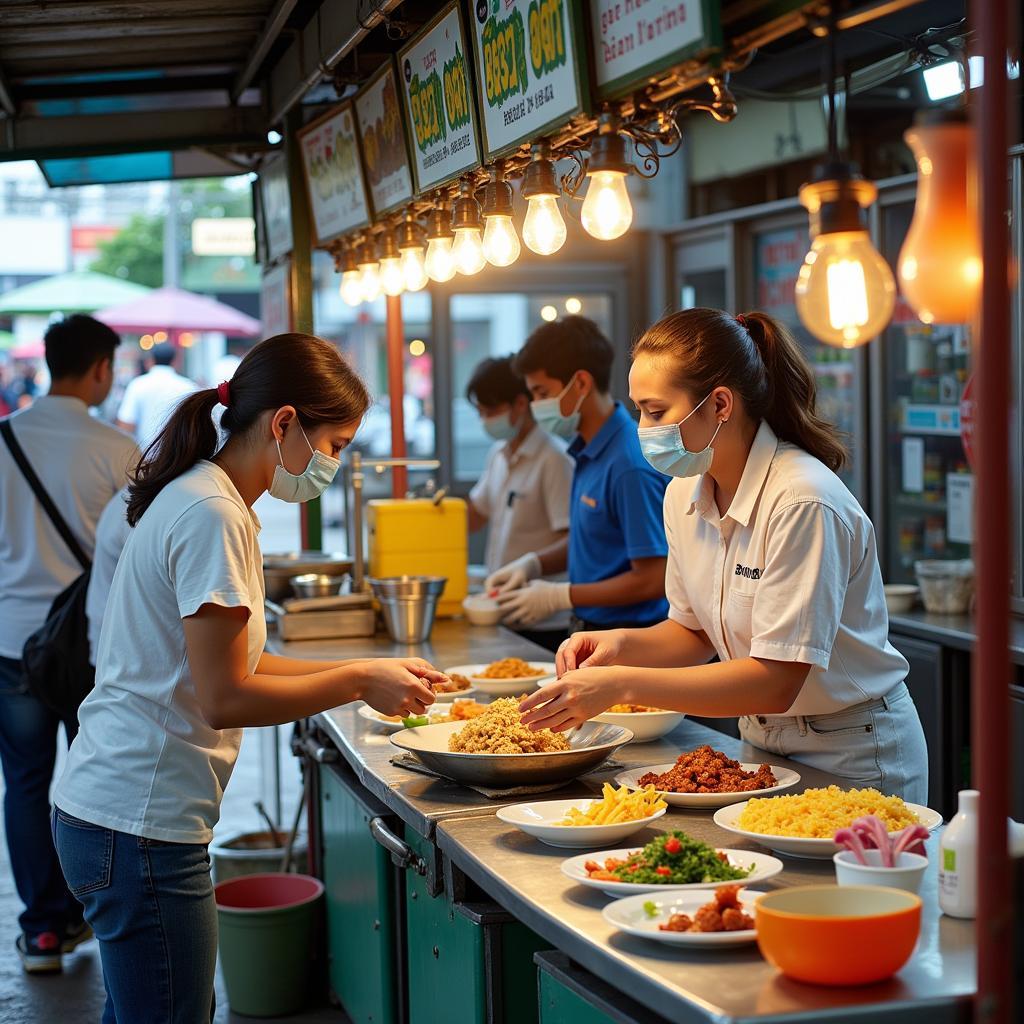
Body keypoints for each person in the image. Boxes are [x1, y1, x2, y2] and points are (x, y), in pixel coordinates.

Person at [52, 333, 446, 1023]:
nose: (333, 464)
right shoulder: (212, 514)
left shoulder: (209, 495)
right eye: (337, 446)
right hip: (139, 826)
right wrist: (356, 682)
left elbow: (242, 661)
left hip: (116, 813)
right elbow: (226, 696)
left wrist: (366, 669)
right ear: (285, 422)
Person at [520, 308, 927, 803]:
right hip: (762, 742)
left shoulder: (802, 500)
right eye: (639, 410)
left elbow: (776, 679)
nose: (643, 428)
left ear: (719, 405)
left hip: (854, 751)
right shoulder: (683, 493)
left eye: (655, 411)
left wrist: (620, 685)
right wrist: (619, 645)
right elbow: (691, 634)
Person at [0, 314, 138, 973]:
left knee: (25, 784)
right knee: (97, 780)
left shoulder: (3, 441)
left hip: (9, 646)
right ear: (101, 369)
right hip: (89, 645)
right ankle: (100, 912)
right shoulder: (116, 450)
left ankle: (43, 932)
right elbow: (136, 552)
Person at [489, 316, 669, 634]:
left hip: (629, 637)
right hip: (591, 629)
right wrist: (535, 564)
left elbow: (654, 578)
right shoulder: (587, 449)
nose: (535, 405)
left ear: (582, 384)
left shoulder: (629, 463)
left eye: (542, 392)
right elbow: (596, 538)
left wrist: (560, 595)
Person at [466, 356, 573, 651]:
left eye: (492, 410)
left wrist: (532, 566)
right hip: (504, 612)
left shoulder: (554, 459)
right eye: (481, 412)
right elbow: (475, 515)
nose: (485, 420)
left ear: (520, 405)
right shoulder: (499, 453)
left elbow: (573, 540)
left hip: (545, 619)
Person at [115, 341, 197, 450]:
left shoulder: (138, 385)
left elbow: (125, 426)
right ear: (175, 361)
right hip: (179, 460)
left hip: (143, 457)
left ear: (151, 360)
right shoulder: (189, 387)